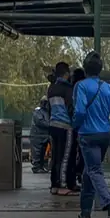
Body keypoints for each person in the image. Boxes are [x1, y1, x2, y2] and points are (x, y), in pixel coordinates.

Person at [73, 51, 110, 218]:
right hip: (104, 135)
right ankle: (85, 211)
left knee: (94, 170)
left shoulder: (81, 86)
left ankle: (109, 203)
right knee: (89, 171)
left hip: (87, 135)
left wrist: (76, 125)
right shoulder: (108, 88)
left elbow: (80, 111)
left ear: (85, 69)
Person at [46, 61, 79, 196]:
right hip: (66, 126)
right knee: (66, 156)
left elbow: (48, 108)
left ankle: (54, 184)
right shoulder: (68, 89)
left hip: (53, 125)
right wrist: (75, 123)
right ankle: (63, 185)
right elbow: (71, 109)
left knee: (56, 156)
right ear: (66, 74)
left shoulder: (51, 88)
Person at [29, 96, 50, 173]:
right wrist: (51, 125)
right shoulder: (38, 111)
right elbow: (40, 122)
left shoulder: (47, 112)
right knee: (37, 152)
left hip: (44, 135)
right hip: (37, 135)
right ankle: (37, 167)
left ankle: (42, 165)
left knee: (43, 151)